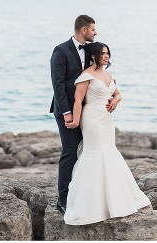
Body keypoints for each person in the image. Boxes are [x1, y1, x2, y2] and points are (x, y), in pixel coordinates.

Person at [63, 42, 151, 225]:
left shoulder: (108, 75)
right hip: (92, 119)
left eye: (107, 53)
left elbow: (117, 93)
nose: (106, 56)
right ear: (94, 55)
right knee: (94, 153)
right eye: (103, 53)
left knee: (109, 152)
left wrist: (116, 100)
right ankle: (90, 204)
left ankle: (114, 199)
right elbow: (78, 100)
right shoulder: (86, 76)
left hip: (106, 120)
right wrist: (76, 120)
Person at [50, 15, 96, 213]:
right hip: (66, 111)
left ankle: (83, 193)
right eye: (93, 29)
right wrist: (68, 112)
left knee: (87, 151)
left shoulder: (92, 50)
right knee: (69, 153)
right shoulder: (60, 51)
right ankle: (63, 199)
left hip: (88, 110)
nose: (96, 33)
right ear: (83, 30)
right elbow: (57, 84)